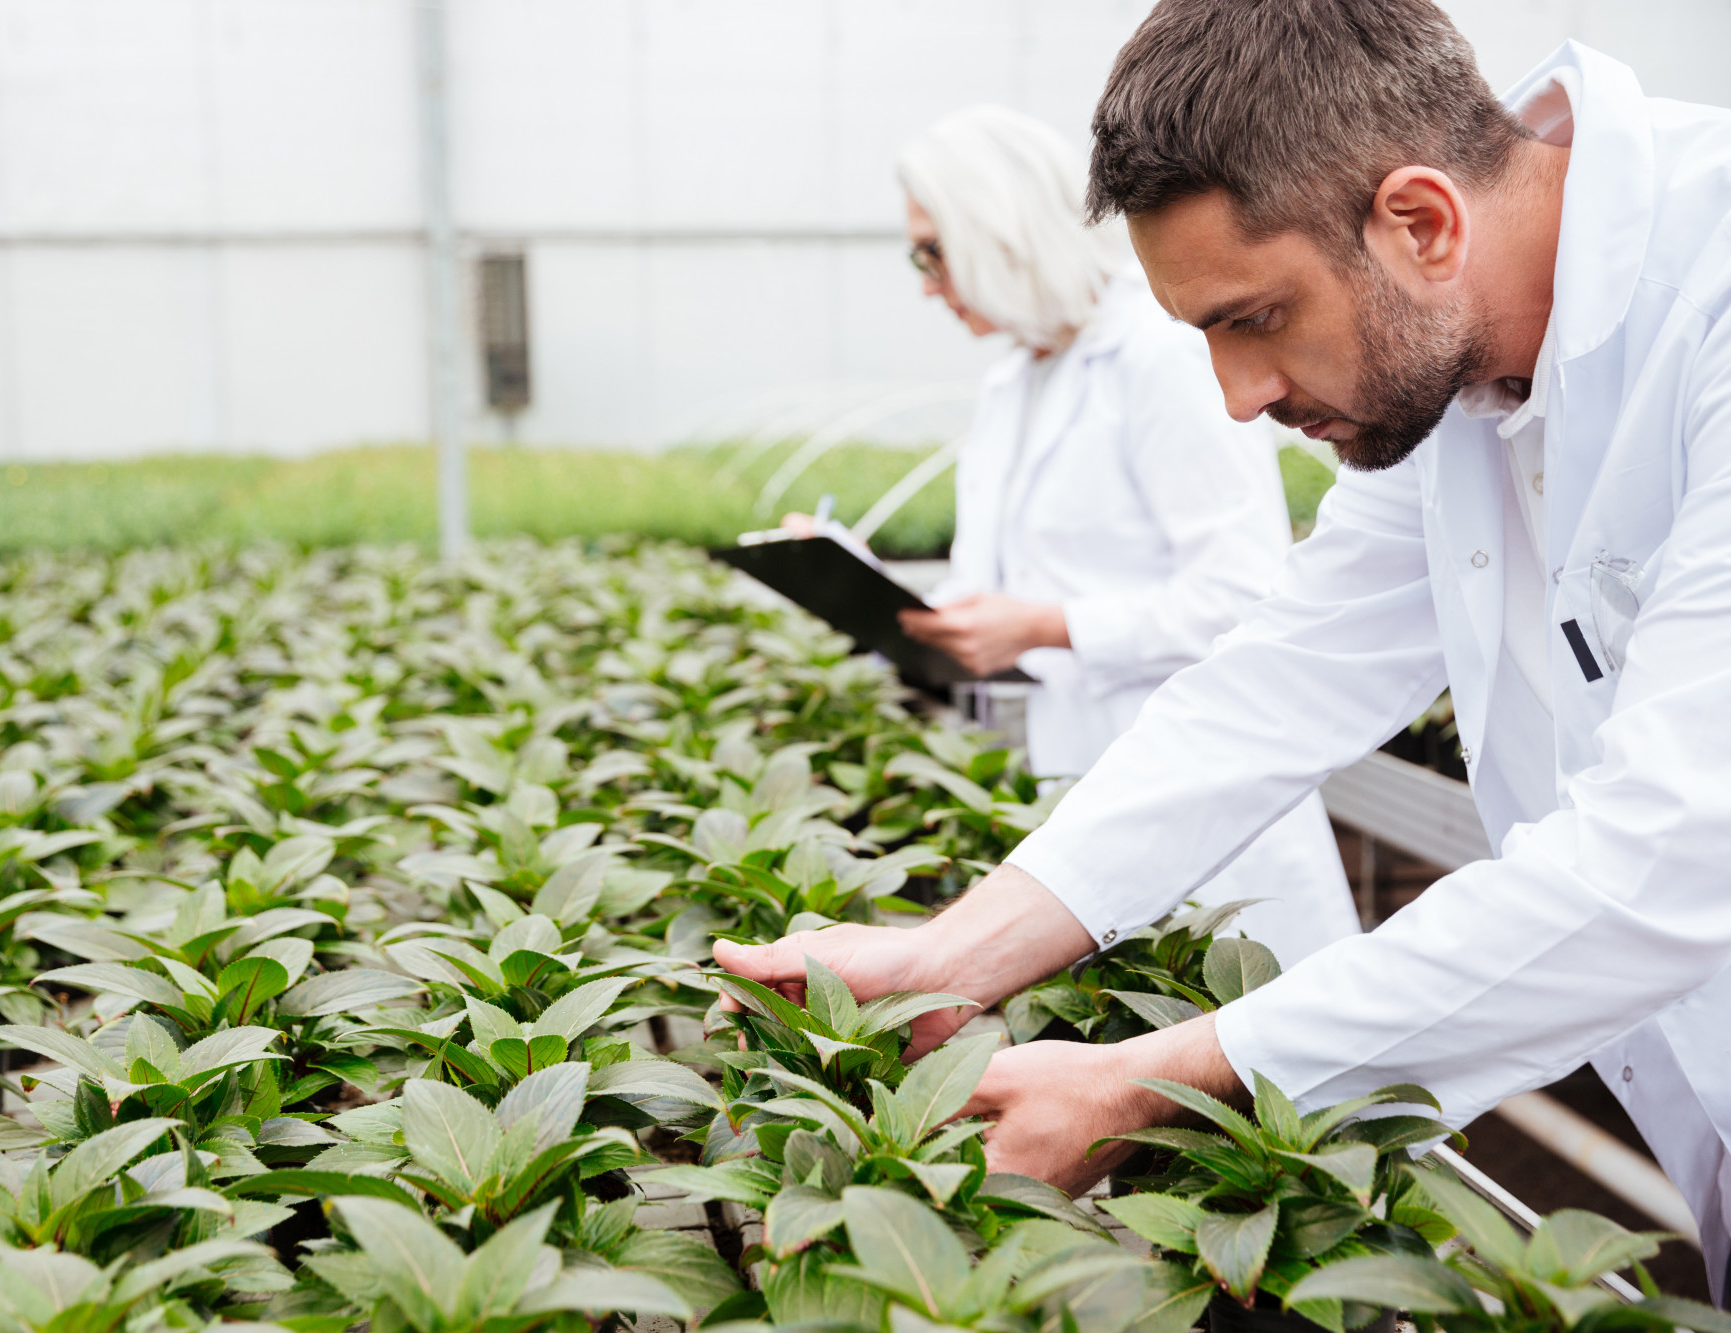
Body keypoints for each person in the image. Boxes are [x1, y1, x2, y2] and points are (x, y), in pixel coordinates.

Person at [721, 0, 1731, 1300]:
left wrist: (1165, 1074)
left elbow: (1671, 848)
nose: (1236, 396)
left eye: (1250, 318)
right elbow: (1280, 677)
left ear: (1420, 222)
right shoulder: (1449, 368)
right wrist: (954, 950)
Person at [807, 105, 1361, 966]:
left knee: (1248, 1053)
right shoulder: (1013, 384)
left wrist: (1042, 626)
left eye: (932, 251)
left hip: (1203, 784)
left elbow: (1243, 595)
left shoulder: (1161, 353)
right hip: (1082, 785)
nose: (926, 282)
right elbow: (998, 588)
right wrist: (863, 587)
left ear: (999, 233)